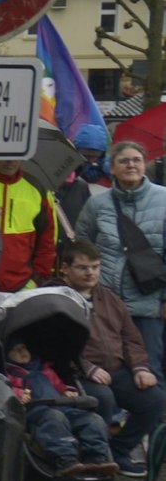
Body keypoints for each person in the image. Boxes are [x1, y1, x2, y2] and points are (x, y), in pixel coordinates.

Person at [61, 239, 166, 477]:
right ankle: (92, 458)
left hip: (116, 370)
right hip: (74, 373)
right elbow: (54, 344)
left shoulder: (109, 298)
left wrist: (140, 368)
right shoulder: (55, 298)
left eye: (95, 267)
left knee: (155, 400)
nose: (91, 273)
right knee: (102, 398)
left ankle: (116, 453)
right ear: (65, 268)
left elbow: (131, 337)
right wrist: (86, 368)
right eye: (83, 267)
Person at [79, 141, 166, 370]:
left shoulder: (163, 200)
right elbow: (83, 244)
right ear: (112, 168)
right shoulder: (97, 203)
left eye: (136, 160)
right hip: (106, 302)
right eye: (124, 161)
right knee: (110, 366)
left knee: (149, 367)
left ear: (144, 165)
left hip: (149, 301)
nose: (131, 165)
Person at [2, 339, 118, 477]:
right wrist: (19, 394)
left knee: (92, 419)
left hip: (63, 406)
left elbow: (59, 384)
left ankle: (96, 457)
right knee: (55, 419)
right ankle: (66, 459)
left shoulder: (44, 369)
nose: (22, 353)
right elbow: (8, 391)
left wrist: (67, 390)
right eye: (16, 351)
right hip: (37, 411)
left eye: (24, 348)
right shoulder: (11, 374)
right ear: (7, 355)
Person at [0, 157, 58, 292]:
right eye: (5, 155)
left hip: (22, 287)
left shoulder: (37, 188)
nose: (10, 161)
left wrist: (37, 279)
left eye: (17, 155)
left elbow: (47, 241)